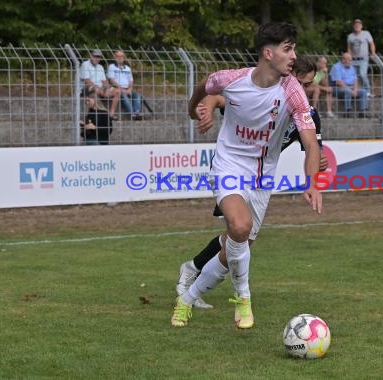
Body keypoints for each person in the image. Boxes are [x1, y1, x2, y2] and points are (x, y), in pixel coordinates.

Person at [170, 22, 322, 328]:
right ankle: (243, 297)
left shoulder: (293, 92)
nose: (294, 56)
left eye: (294, 48)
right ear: (268, 53)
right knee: (239, 227)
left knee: (238, 248)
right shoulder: (233, 79)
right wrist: (194, 109)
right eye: (287, 49)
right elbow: (206, 86)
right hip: (229, 165)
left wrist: (312, 183)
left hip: (263, 177)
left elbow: (309, 139)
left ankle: (187, 299)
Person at [80, 49, 121, 119]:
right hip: (87, 88)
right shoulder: (85, 64)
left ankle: (111, 114)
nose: (97, 58)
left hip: (100, 89)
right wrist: (99, 89)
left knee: (118, 91)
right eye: (95, 56)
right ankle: (104, 112)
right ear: (91, 56)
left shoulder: (100, 67)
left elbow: (104, 81)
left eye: (98, 57)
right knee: (94, 88)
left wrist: (107, 88)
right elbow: (87, 81)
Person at [330, 52, 368, 118]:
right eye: (349, 60)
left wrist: (355, 90)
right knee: (347, 92)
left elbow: (355, 80)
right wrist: (350, 90)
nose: (350, 62)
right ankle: (348, 111)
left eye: (351, 60)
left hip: (351, 87)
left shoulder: (352, 68)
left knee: (363, 92)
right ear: (343, 60)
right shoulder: (336, 67)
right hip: (338, 88)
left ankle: (362, 111)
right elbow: (338, 82)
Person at [107, 50, 142, 120]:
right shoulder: (112, 67)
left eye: (121, 56)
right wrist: (121, 89)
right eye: (118, 56)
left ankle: (137, 112)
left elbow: (131, 80)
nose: (120, 58)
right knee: (123, 95)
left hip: (127, 88)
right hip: (117, 88)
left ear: (124, 58)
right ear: (115, 57)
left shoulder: (127, 68)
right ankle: (132, 114)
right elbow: (111, 80)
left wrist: (130, 89)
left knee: (137, 95)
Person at [347, 18, 376, 97]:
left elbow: (371, 43)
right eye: (356, 25)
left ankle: (368, 91)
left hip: (363, 59)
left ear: (361, 26)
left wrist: (373, 53)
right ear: (353, 26)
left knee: (363, 74)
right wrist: (349, 57)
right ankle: (359, 91)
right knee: (355, 77)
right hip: (354, 59)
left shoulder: (366, 33)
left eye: (359, 25)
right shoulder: (350, 36)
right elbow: (349, 47)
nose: (357, 26)